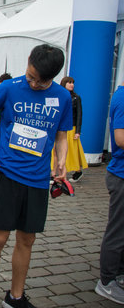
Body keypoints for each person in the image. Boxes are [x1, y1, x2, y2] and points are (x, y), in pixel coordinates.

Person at [0, 44, 72, 308]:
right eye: (30, 77)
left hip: (38, 180)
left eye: (40, 81)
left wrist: (61, 160)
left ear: (52, 77)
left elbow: (62, 135)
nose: (33, 83)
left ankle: (15, 297)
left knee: (27, 240)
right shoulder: (8, 88)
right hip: (5, 173)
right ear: (28, 61)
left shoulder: (63, 97)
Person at [95, 83, 124, 304]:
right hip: (121, 175)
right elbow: (120, 139)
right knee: (118, 231)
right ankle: (107, 281)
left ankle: (118, 274)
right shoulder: (122, 98)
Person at [51, 76, 88, 183]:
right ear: (64, 83)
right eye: (69, 82)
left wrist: (78, 131)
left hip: (71, 128)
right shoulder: (59, 96)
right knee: (55, 151)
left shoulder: (76, 98)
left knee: (72, 151)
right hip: (59, 127)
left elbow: (79, 115)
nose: (72, 84)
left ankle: (77, 170)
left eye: (72, 82)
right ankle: (54, 173)